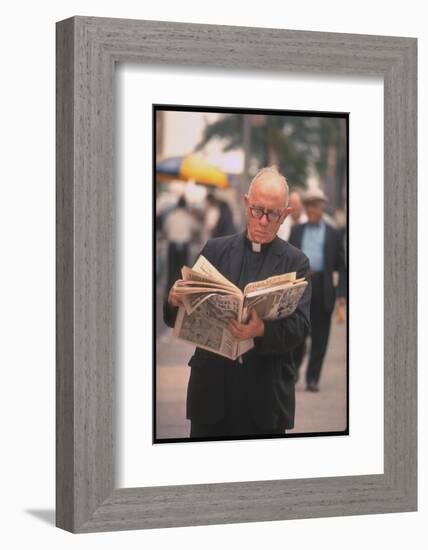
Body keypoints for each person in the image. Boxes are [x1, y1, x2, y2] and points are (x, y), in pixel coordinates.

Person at [163, 166, 311, 439]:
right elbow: (176, 317)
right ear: (246, 204)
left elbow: (300, 327)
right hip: (211, 397)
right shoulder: (215, 250)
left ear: (285, 215)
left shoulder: (296, 262)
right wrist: (174, 300)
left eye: (273, 214)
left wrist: (261, 331)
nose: (263, 221)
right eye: (257, 210)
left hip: (265, 402)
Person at [289, 188, 346, 392]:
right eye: (310, 206)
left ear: (322, 208)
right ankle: (293, 370)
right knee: (297, 333)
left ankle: (313, 378)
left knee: (320, 337)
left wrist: (341, 295)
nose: (313, 210)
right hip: (301, 287)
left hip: (323, 288)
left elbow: (341, 265)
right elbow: (288, 259)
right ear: (307, 208)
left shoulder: (333, 233)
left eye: (317, 206)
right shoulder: (297, 230)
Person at [162, 196, 199, 297]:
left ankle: (169, 293)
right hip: (184, 246)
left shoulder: (171, 216)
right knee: (183, 272)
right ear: (185, 205)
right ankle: (182, 294)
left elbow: (165, 230)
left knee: (171, 271)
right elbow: (196, 229)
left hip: (172, 245)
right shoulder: (188, 216)